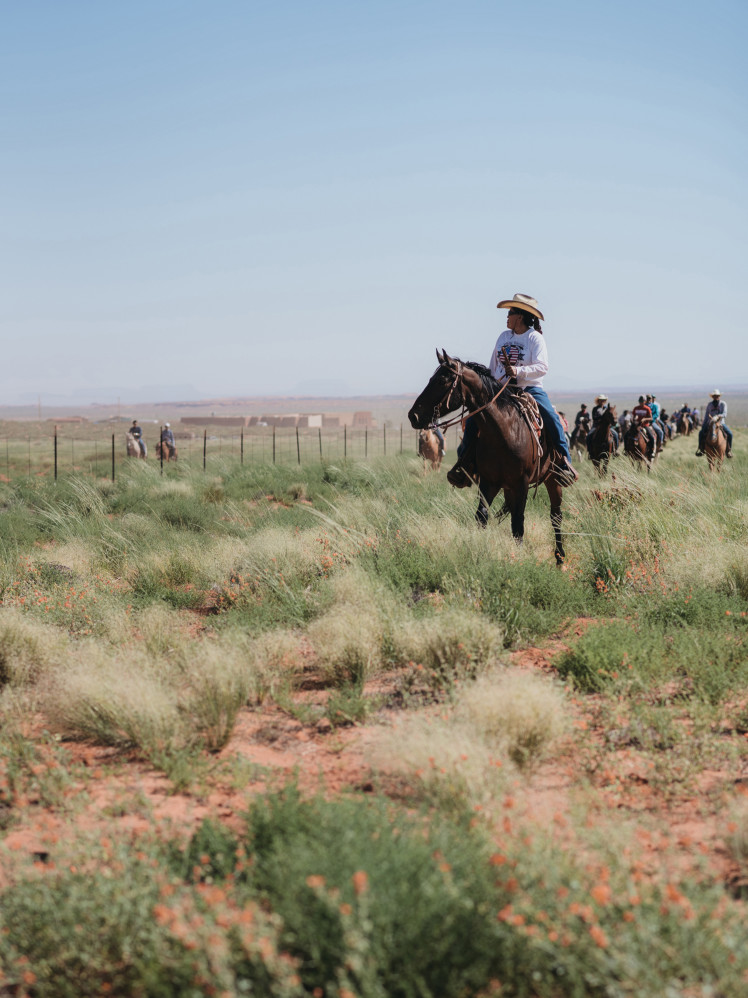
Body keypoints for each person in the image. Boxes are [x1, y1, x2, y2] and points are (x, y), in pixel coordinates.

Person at [447, 292, 577, 487]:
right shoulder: (503, 337)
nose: (507, 317)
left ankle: (565, 462)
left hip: (529, 389)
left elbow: (542, 367)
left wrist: (518, 370)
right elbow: (492, 367)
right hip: (501, 391)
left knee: (550, 417)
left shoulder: (534, 338)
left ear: (520, 316)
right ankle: (465, 465)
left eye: (510, 313)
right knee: (474, 418)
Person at [696, 390, 733, 458]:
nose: (716, 397)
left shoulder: (723, 404)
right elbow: (707, 415)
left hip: (720, 423)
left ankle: (728, 450)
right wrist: (704, 425)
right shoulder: (710, 404)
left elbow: (724, 414)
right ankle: (701, 449)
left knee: (730, 434)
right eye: (714, 396)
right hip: (710, 422)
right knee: (701, 433)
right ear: (712, 397)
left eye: (717, 396)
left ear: (719, 396)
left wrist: (718, 416)